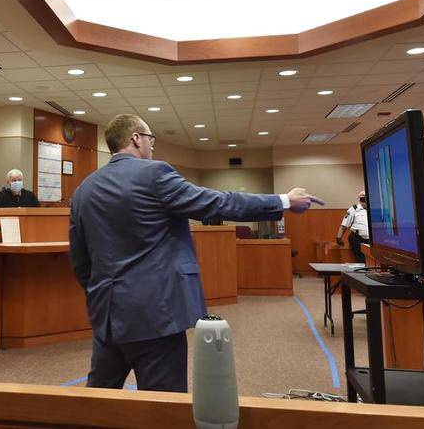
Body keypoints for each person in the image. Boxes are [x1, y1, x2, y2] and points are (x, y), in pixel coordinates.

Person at [68, 113, 324, 393]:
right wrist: (284, 200)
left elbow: (80, 259)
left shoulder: (84, 189)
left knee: (98, 402)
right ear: (136, 138)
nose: (152, 147)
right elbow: (217, 203)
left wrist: (102, 294)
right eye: (150, 139)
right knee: (164, 407)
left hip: (106, 315)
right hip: (156, 314)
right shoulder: (154, 174)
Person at [335, 191, 369, 263]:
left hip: (370, 239)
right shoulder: (353, 209)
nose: (365, 201)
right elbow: (344, 225)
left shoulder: (372, 209)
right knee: (361, 259)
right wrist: (339, 238)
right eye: (363, 199)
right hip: (357, 238)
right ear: (360, 200)